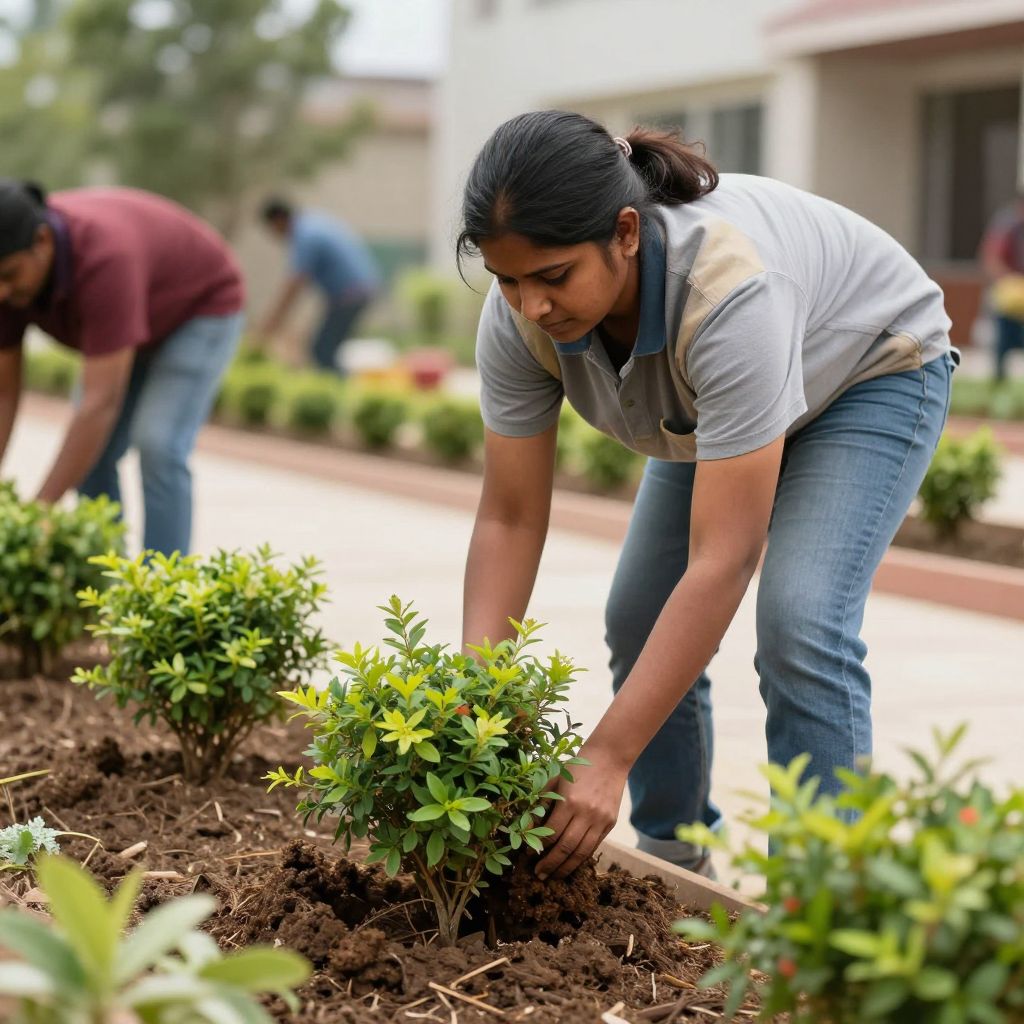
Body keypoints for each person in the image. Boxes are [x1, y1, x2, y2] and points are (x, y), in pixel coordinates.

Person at [457, 111, 956, 882]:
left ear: (626, 233)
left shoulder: (728, 291)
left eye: (553, 277)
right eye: (507, 280)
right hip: (717, 403)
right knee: (637, 613)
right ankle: (676, 856)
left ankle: (824, 910)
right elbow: (510, 515)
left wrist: (606, 758)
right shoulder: (520, 317)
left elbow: (723, 560)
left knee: (801, 623)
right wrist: (473, 700)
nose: (533, 306)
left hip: (868, 370)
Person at [0, 181, 244, 555]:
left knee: (159, 445)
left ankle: (162, 589)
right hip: (130, 318)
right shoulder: (6, 289)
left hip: (196, 310)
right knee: (90, 458)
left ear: (43, 241)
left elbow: (99, 405)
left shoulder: (104, 257)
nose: (2, 291)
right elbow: (3, 394)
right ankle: (108, 586)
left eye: (10, 274)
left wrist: (39, 514)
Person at [258, 196, 381, 374]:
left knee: (322, 351)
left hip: (351, 294)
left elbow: (295, 284)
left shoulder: (304, 234)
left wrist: (269, 326)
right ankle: (340, 389)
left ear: (278, 220)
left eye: (272, 229)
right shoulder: (312, 223)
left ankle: (340, 393)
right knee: (322, 347)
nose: (275, 235)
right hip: (357, 291)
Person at [979, 189, 1024, 380]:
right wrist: (1011, 281)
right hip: (1007, 298)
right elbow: (991, 260)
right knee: (1001, 343)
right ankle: (998, 382)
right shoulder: (1007, 225)